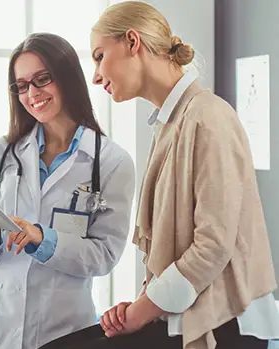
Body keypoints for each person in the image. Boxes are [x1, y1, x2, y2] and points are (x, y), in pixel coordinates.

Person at [39, 2, 279, 349]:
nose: (95, 75)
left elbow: (212, 247)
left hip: (226, 323)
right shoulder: (170, 123)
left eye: (99, 56)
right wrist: (143, 305)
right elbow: (171, 247)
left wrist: (140, 312)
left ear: (133, 42)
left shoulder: (208, 117)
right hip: (180, 314)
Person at [0, 32, 136, 349]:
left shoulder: (110, 162)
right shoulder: (2, 153)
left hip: (64, 330)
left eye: (42, 79)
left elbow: (104, 257)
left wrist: (43, 238)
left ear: (67, 78)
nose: (33, 93)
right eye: (22, 85)